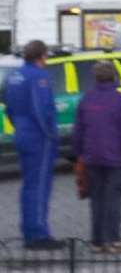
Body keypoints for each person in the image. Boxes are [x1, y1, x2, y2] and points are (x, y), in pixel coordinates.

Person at [72, 61, 121, 253]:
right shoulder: (120, 100)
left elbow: (78, 130)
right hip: (116, 158)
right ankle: (113, 240)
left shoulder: (86, 98)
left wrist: (78, 153)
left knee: (97, 200)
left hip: (92, 158)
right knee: (114, 199)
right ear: (114, 76)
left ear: (95, 77)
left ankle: (97, 241)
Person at [3, 40, 64, 250]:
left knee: (29, 185)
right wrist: (50, 134)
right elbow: (41, 109)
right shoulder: (39, 77)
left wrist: (19, 127)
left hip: (22, 133)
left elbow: (8, 108)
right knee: (39, 186)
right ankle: (38, 234)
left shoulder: (14, 77)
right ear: (42, 56)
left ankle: (29, 230)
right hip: (39, 138)